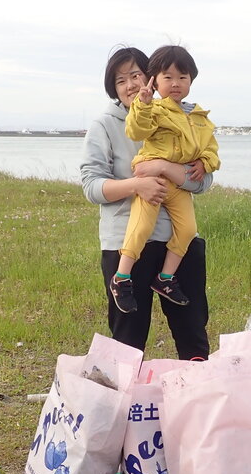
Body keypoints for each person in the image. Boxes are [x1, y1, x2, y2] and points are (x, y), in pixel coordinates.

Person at [80, 46, 213, 360]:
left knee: (193, 332)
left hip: (176, 244)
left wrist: (167, 169)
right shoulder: (105, 125)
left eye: (135, 75)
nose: (129, 85)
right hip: (124, 241)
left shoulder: (186, 116)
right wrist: (136, 185)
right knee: (128, 339)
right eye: (120, 80)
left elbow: (203, 182)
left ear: (151, 78)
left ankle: (197, 400)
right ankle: (126, 405)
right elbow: (91, 186)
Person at [111, 45, 220, 313]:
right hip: (153, 179)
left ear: (191, 81)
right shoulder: (154, 108)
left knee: (187, 230)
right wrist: (144, 104)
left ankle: (165, 278)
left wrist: (205, 162)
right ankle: (121, 277)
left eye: (183, 78)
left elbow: (211, 150)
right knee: (141, 226)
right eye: (168, 77)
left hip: (180, 184)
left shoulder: (199, 117)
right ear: (155, 80)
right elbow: (136, 131)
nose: (175, 83)